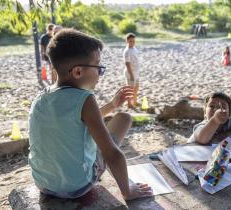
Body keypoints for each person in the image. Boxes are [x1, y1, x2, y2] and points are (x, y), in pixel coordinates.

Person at [29, 28, 152, 201]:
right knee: (124, 119)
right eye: (99, 67)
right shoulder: (85, 98)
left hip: (43, 183)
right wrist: (128, 191)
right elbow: (112, 153)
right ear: (78, 72)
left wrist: (112, 105)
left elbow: (75, 120)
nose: (100, 74)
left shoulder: (42, 97)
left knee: (108, 124)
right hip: (77, 186)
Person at [123, 33, 140, 108]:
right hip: (130, 73)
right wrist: (131, 75)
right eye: (130, 41)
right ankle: (129, 104)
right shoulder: (127, 51)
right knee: (130, 89)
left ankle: (135, 102)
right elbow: (127, 63)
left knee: (136, 88)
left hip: (136, 72)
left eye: (133, 41)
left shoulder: (134, 48)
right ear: (127, 41)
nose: (132, 43)